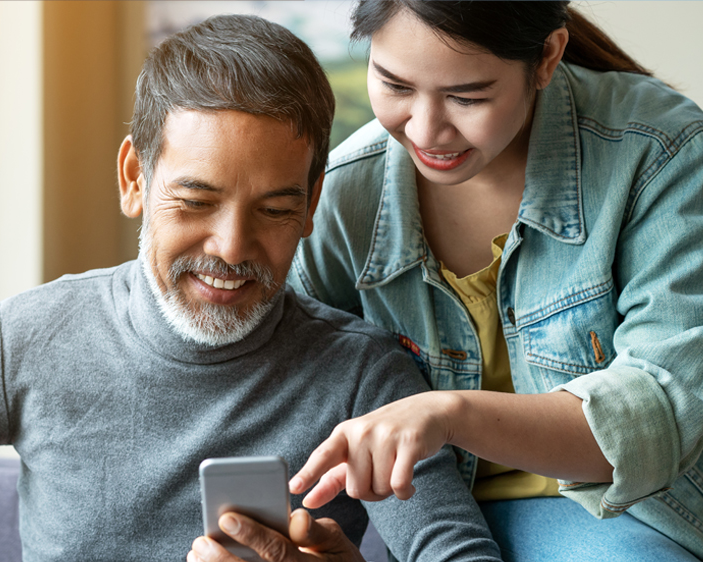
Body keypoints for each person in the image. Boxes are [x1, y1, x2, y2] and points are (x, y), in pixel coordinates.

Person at [0, 15, 503, 562]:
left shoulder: (363, 377)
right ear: (134, 179)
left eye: (273, 210)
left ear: (310, 207)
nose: (231, 249)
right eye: (196, 202)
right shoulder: (29, 339)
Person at [282, 1, 703, 560]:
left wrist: (451, 415)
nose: (426, 130)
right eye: (395, 85)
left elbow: (660, 411)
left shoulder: (657, 152)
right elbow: (277, 378)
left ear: (547, 56)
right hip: (424, 510)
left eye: (468, 97)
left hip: (613, 510)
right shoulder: (343, 197)